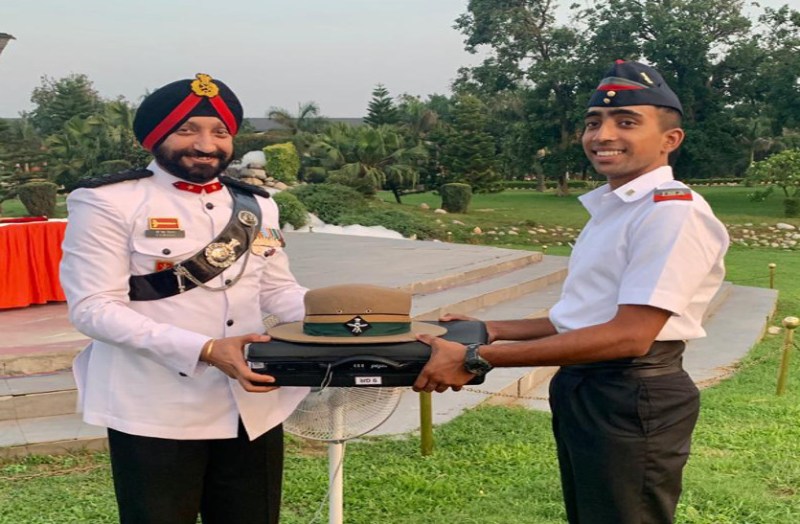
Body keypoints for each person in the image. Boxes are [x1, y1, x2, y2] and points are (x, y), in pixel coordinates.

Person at [413, 60, 730, 524]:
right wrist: (493, 328)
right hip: (590, 387)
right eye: (593, 122)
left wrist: (478, 358)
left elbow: (631, 335)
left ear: (670, 140)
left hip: (630, 393)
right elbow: (590, 316)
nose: (602, 135)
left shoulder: (671, 212)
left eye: (626, 122)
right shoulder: (618, 207)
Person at [60, 73, 308, 524]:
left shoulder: (258, 205)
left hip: (252, 405)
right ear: (156, 136)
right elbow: (94, 308)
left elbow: (277, 290)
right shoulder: (108, 201)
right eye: (187, 129)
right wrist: (206, 349)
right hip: (155, 406)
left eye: (220, 132)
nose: (206, 145)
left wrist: (347, 316)